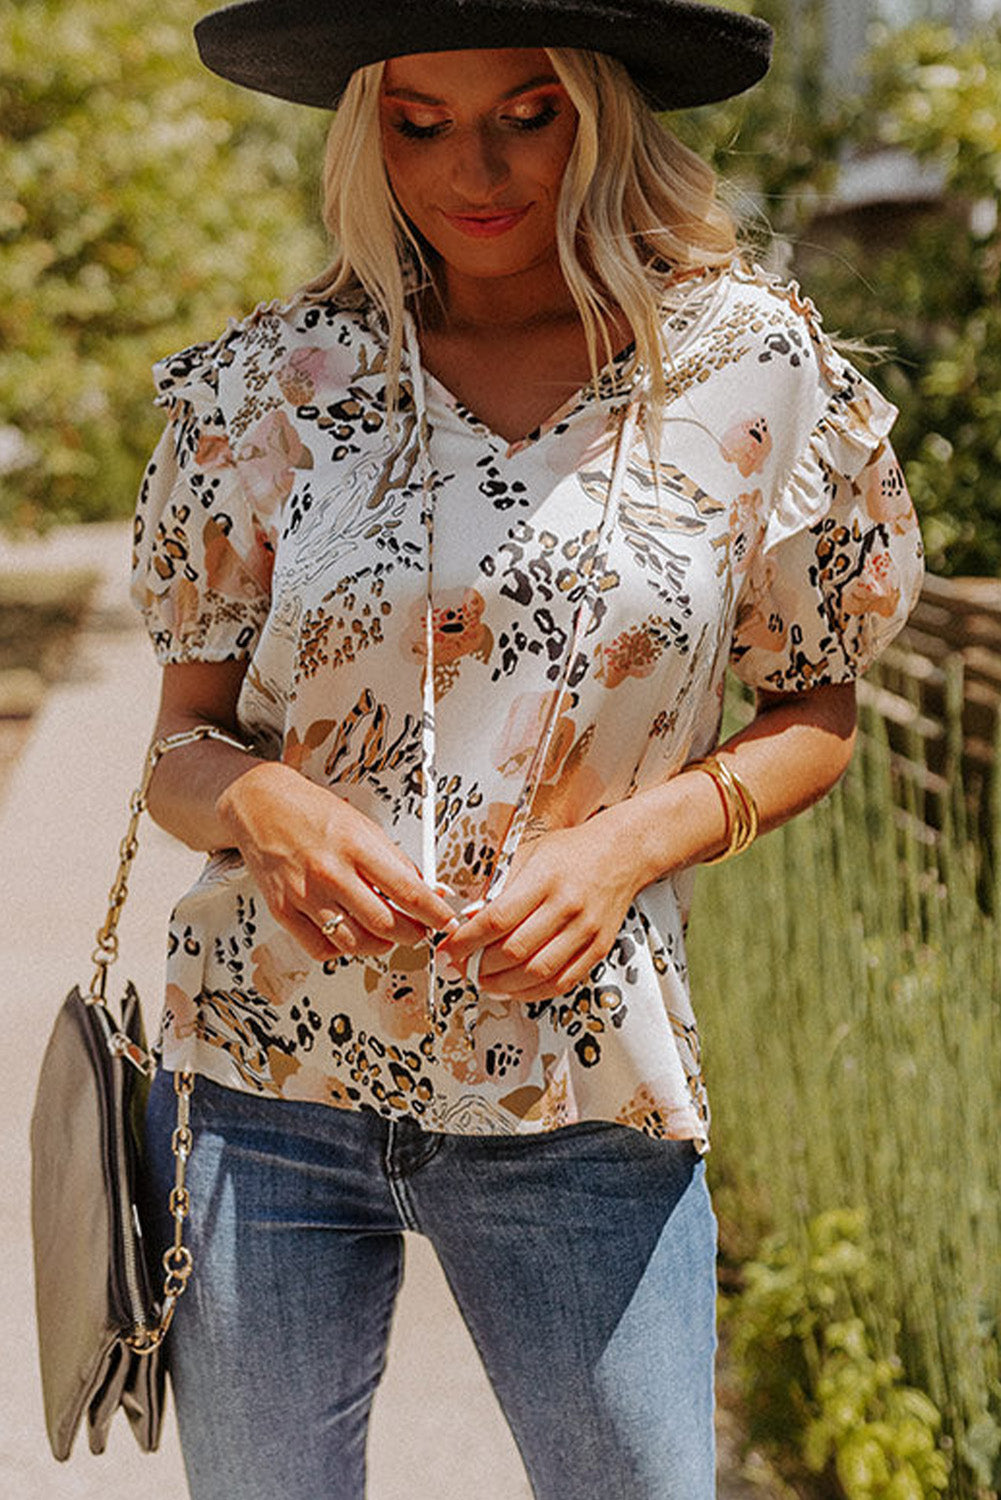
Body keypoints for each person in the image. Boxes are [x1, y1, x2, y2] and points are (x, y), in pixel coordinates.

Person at [131, 2, 925, 1496]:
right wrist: (266, 804)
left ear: (605, 111)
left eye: (527, 110)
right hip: (259, 1079)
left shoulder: (748, 370)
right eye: (417, 120)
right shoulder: (265, 385)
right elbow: (177, 746)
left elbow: (815, 707)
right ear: (365, 131)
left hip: (578, 1089)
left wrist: (629, 845)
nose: (470, 166)